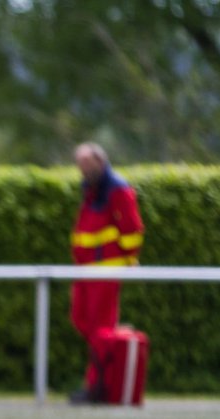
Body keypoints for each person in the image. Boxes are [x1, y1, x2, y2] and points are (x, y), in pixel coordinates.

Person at [69, 142, 144, 403]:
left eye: (87, 165)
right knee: (82, 321)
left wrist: (127, 260)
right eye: (80, 166)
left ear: (101, 162)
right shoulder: (91, 189)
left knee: (100, 329)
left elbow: (132, 230)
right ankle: (100, 378)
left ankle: (97, 386)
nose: (83, 171)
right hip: (86, 271)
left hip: (105, 270)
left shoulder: (117, 189)